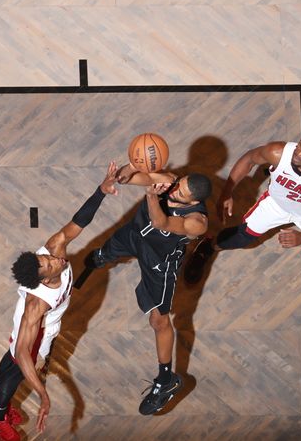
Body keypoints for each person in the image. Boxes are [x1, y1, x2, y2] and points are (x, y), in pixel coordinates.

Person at [0, 162, 118, 441]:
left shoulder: (54, 248)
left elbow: (79, 222)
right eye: (50, 264)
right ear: (42, 280)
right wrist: (43, 395)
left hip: (52, 320)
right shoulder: (35, 306)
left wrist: (101, 191)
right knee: (22, 362)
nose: (56, 259)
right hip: (36, 326)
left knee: (32, 363)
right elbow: (21, 352)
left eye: (48, 257)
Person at [82, 166, 212, 415]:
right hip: (134, 235)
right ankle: (104, 255)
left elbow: (160, 221)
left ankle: (166, 381)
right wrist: (129, 167)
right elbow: (130, 178)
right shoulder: (170, 182)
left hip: (159, 262)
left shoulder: (197, 222)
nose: (174, 190)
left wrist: (152, 196)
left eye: (180, 193)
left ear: (193, 202)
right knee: (111, 246)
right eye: (178, 184)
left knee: (159, 321)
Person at [185, 127, 301, 317]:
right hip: (277, 204)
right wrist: (227, 192)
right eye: (300, 145)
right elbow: (249, 159)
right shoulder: (277, 152)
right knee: (241, 237)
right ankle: (208, 246)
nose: (299, 153)